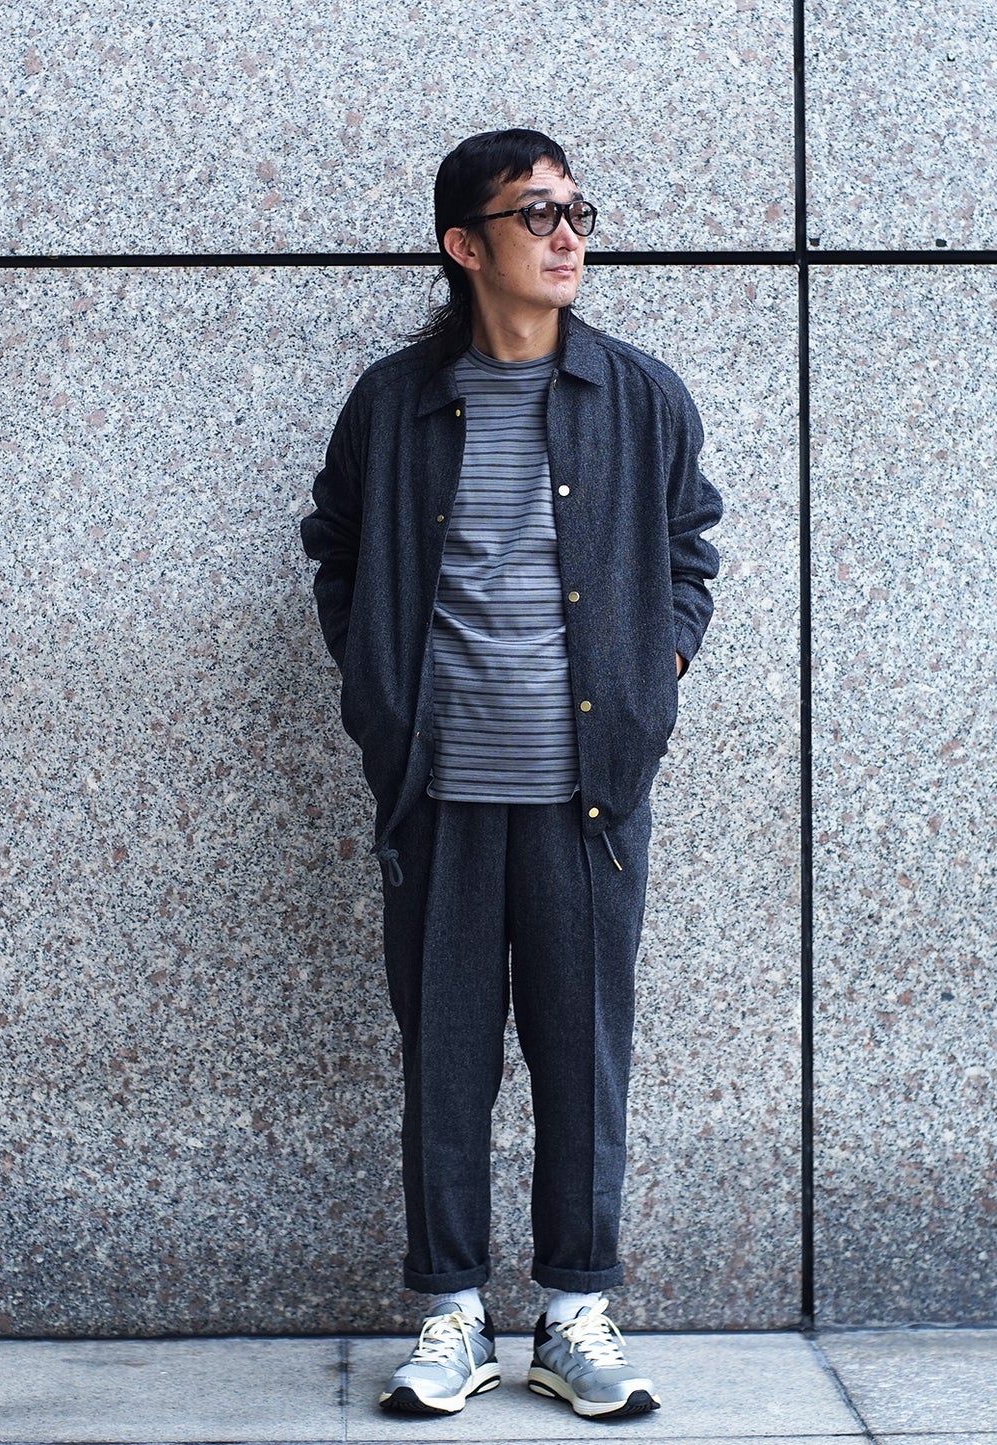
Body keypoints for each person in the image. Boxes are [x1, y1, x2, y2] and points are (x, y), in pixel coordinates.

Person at [300, 128, 722, 1421]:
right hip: (437, 791)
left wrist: (655, 672)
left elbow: (691, 550)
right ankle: (451, 1311)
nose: (567, 235)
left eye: (577, 210)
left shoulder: (638, 396)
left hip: (588, 794)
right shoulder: (393, 404)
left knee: (581, 1054)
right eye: (535, 214)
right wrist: (379, 689)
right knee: (446, 1059)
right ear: (463, 244)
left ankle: (575, 1309)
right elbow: (334, 549)